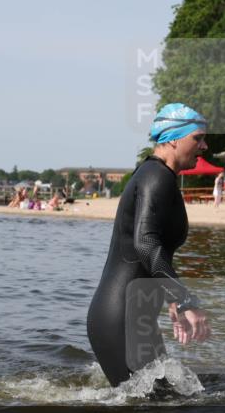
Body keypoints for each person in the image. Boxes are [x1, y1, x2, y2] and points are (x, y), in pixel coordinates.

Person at [87, 103, 211, 387]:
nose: (204, 146)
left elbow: (155, 246)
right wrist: (184, 300)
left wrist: (169, 297)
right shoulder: (156, 177)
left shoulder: (158, 176)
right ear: (173, 138)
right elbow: (145, 244)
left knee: (162, 406)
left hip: (134, 318)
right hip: (120, 319)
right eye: (197, 138)